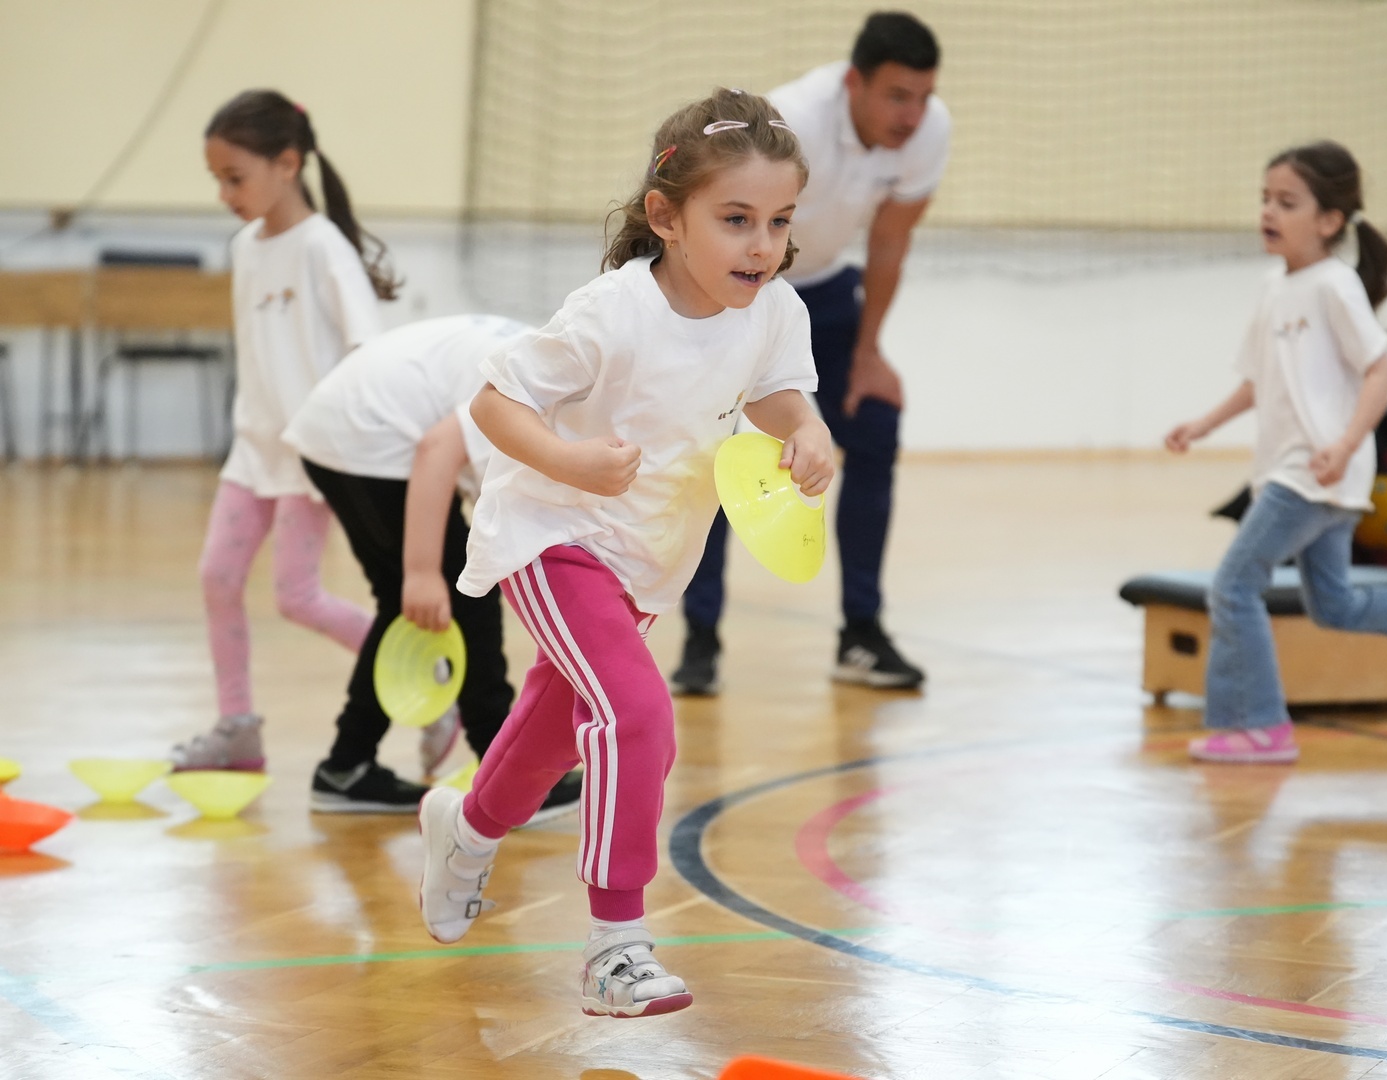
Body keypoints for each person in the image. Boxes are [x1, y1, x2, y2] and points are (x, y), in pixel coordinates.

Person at [415, 89, 833, 1017]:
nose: (762, 245)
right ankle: (616, 949)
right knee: (638, 713)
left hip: (647, 556)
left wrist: (808, 432)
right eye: (736, 220)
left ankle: (466, 831)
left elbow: (776, 393)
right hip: (553, 535)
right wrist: (569, 462)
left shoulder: (774, 311)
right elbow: (493, 402)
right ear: (666, 217)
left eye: (779, 221)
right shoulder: (612, 311)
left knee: (547, 735)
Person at [1164, 141, 1387, 765]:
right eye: (1265, 199)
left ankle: (1259, 726)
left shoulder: (1335, 286)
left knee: (1233, 586)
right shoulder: (1274, 288)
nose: (1268, 212)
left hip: (1312, 475)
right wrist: (1203, 423)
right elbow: (1259, 380)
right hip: (1307, 474)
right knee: (1336, 605)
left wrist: (1347, 443)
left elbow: (1380, 371)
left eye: (1287, 202)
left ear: (1330, 220)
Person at [671, 11, 950, 694]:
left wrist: (870, 350)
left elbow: (890, 240)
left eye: (923, 97)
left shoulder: (929, 131)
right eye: (896, 96)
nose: (912, 115)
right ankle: (700, 640)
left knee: (876, 422)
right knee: (716, 450)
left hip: (822, 292)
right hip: (741, 288)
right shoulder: (793, 121)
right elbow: (728, 221)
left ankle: (862, 634)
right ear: (854, 83)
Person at [173, 90, 422, 783]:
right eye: (217, 180)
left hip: (312, 458)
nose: (225, 195)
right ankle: (237, 729)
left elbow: (370, 355)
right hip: (250, 452)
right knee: (217, 578)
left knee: (296, 596)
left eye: (235, 177)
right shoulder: (245, 247)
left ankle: (424, 680)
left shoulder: (323, 248)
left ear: (287, 164)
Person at [283, 315, 580, 817]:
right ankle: (507, 776)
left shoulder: (566, 372)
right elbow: (437, 449)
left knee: (427, 600)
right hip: (366, 435)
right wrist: (422, 572)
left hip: (355, 423)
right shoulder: (544, 396)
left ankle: (347, 764)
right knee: (462, 595)